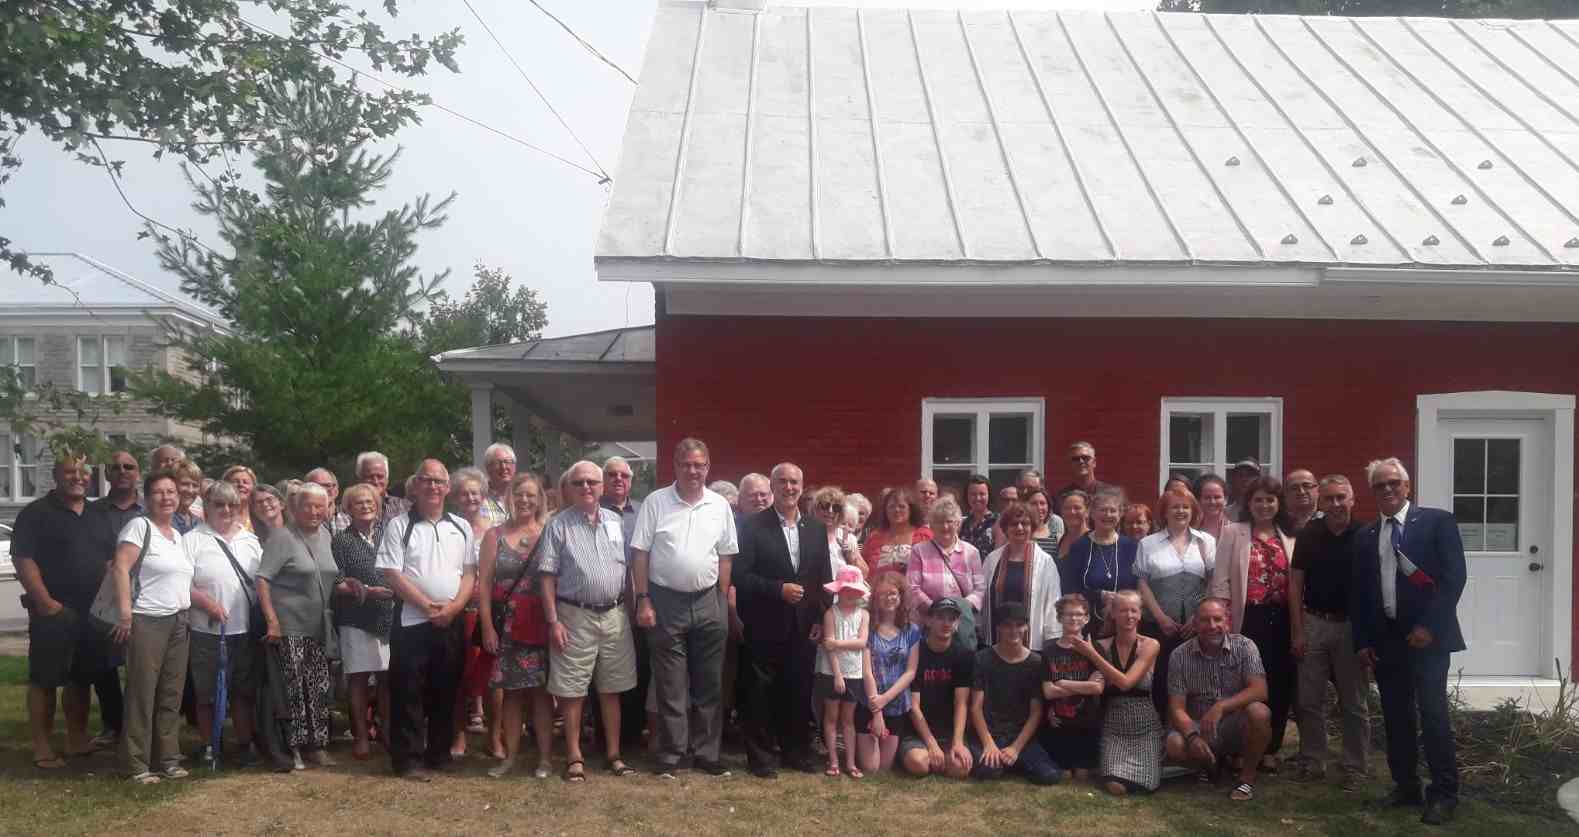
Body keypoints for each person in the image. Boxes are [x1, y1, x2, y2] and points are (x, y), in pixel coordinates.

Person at [1351, 457, 1465, 825]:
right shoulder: (1366, 535)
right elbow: (1362, 593)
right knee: (1396, 718)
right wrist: (1364, 639)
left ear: (1407, 486)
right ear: (1373, 492)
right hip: (1387, 640)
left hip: (1428, 639)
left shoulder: (1437, 522)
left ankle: (1444, 793)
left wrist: (1429, 626)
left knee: (1433, 716)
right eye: (1380, 485)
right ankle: (1406, 787)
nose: (1387, 489)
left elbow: (1453, 579)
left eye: (1393, 483)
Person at [631, 438, 738, 779]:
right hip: (665, 600)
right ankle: (673, 753)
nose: (693, 470)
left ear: (708, 467)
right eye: (686, 464)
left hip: (709, 600)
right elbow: (641, 553)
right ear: (675, 466)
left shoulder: (720, 504)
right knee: (670, 683)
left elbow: (726, 555)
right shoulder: (656, 502)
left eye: (699, 465)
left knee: (710, 683)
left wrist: (721, 598)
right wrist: (643, 598)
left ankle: (707, 753)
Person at [378, 460, 479, 782]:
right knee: (408, 691)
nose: (433, 487)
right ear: (416, 486)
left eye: (439, 481)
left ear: (448, 488)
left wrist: (454, 608)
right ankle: (407, 761)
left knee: (446, 689)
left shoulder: (461, 525)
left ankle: (439, 754)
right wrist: (426, 606)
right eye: (426, 481)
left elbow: (469, 573)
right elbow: (392, 573)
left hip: (451, 620)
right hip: (411, 622)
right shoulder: (398, 525)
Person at [541, 462, 641, 782]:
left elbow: (627, 570)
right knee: (573, 691)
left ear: (602, 487)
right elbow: (546, 577)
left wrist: (634, 606)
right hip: (573, 615)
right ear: (568, 487)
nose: (586, 488)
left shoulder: (616, 522)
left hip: (614, 615)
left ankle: (613, 754)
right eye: (579, 482)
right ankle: (574, 756)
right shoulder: (558, 525)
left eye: (592, 482)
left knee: (612, 689)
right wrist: (553, 620)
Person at [13, 457, 114, 769]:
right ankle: (42, 746)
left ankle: (76, 738)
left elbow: (111, 560)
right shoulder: (35, 513)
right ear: (55, 475)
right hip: (53, 611)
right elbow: (23, 559)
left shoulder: (98, 513)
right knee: (45, 679)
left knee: (80, 679)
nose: (78, 477)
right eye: (70, 472)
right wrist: (45, 602)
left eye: (84, 472)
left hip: (91, 612)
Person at [734, 462, 831, 778]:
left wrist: (819, 615)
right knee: (759, 693)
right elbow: (740, 576)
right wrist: (779, 589)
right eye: (782, 482)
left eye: (794, 482)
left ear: (802, 487)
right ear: (772, 487)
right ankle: (761, 758)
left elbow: (822, 579)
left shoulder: (816, 529)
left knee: (798, 690)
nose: (789, 488)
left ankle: (796, 753)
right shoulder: (751, 526)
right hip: (763, 622)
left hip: (803, 625)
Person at [109, 471, 195, 783]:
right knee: (142, 694)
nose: (166, 497)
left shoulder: (178, 535)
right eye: (159, 492)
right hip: (146, 619)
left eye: (171, 491)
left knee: (171, 694)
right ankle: (135, 763)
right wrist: (125, 613)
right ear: (146, 497)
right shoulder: (139, 526)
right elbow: (120, 567)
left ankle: (167, 758)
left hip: (178, 621)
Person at [1289, 475, 1369, 790]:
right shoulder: (1310, 533)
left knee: (1354, 701)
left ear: (1352, 500)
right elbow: (1296, 583)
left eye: (1341, 498)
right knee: (1310, 699)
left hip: (1352, 626)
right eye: (1329, 499)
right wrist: (1298, 631)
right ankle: (1313, 760)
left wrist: (1368, 635)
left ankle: (1355, 766)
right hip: (1314, 622)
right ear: (1320, 503)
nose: (1335, 504)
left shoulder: (1366, 535)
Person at [1212, 475, 1298, 770]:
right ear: (1249, 504)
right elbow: (1221, 582)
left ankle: (1270, 748)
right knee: (1243, 681)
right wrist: (1222, 623)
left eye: (1270, 500)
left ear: (1278, 503)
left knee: (1280, 681)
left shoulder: (1289, 535)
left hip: (1282, 618)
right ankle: (1240, 747)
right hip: (1247, 618)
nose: (1264, 505)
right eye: (1258, 500)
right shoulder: (1234, 532)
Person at [255, 483, 341, 771]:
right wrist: (272, 620)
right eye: (308, 505)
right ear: (294, 507)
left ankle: (317, 745)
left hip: (319, 629)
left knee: (317, 688)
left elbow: (328, 576)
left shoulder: (327, 536)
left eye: (321, 506)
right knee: (292, 689)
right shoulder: (282, 537)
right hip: (289, 627)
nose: (315, 511)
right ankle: (291, 748)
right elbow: (263, 579)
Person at [475, 472, 552, 778]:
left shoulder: (549, 532)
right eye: (519, 494)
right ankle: (511, 757)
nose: (524, 500)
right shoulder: (494, 536)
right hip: (506, 625)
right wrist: (487, 627)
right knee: (510, 693)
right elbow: (483, 585)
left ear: (539, 500)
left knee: (542, 692)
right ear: (510, 497)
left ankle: (545, 759)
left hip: (541, 623)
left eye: (531, 495)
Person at [184, 480, 264, 765]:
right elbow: (182, 584)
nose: (226, 510)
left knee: (243, 692)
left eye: (232, 504)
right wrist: (207, 604)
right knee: (206, 693)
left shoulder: (251, 541)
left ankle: (244, 744)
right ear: (207, 507)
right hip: (207, 631)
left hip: (244, 632)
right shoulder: (192, 540)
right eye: (219, 504)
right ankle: (209, 745)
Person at [1165, 598, 1273, 802]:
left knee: (1260, 712)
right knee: (1174, 744)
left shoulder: (1245, 646)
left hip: (1234, 724)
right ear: (1195, 624)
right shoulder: (1179, 655)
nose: (1212, 626)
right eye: (1205, 620)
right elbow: (1176, 708)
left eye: (1217, 619)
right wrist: (1192, 737)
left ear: (1227, 622)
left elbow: (1260, 690)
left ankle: (1246, 780)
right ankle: (1208, 765)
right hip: (1199, 725)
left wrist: (1221, 706)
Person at [1135, 487, 1217, 717]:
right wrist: (1161, 618)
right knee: (1161, 678)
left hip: (1196, 626)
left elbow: (1212, 581)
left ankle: (1195, 733)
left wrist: (1198, 616)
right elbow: (1142, 583)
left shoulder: (1206, 541)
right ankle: (1163, 734)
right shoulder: (1148, 543)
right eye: (1175, 506)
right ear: (1164, 511)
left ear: (1193, 510)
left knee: (1196, 678)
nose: (1180, 511)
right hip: (1158, 626)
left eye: (1185, 506)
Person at [330, 482, 396, 761]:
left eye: (370, 501)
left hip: (389, 616)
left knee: (387, 679)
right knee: (357, 679)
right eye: (359, 502)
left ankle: (388, 733)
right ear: (348, 508)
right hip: (356, 619)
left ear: (378, 505)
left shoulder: (389, 533)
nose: (366, 505)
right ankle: (360, 737)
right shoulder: (341, 540)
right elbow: (336, 581)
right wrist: (366, 591)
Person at [968, 603, 1059, 785]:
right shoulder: (982, 658)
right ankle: (1007, 762)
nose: (1014, 630)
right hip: (991, 733)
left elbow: (1036, 712)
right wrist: (988, 744)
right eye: (1008, 625)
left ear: (1026, 627)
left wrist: (1016, 748)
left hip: (1020, 736)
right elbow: (976, 708)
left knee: (1049, 775)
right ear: (998, 627)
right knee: (989, 771)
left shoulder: (1036, 662)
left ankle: (1013, 759)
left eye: (1019, 625)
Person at [602, 456, 650, 750]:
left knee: (640, 668)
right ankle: (606, 737)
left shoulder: (644, 512)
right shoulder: (593, 511)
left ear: (631, 481)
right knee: (606, 674)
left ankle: (635, 732)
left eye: (624, 475)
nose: (619, 479)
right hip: (608, 604)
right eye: (612, 475)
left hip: (640, 603)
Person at [901, 599, 975, 778]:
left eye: (952, 619)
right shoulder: (916, 652)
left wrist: (957, 742)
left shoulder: (963, 655)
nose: (946, 623)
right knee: (919, 764)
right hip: (917, 731)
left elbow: (961, 703)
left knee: (960, 769)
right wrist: (931, 743)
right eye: (940, 617)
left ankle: (945, 755)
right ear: (928, 621)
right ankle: (925, 753)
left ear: (957, 622)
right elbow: (914, 706)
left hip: (949, 731)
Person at [449, 466, 494, 754]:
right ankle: (459, 735)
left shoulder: (494, 529)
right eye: (464, 493)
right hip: (455, 610)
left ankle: (495, 736)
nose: (470, 498)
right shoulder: (447, 526)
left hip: (488, 610)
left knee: (491, 675)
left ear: (483, 495)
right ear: (454, 496)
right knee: (457, 674)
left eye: (475, 492)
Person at [1037, 594, 1104, 783]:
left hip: (1086, 723)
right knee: (1064, 776)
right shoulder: (1049, 650)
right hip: (1059, 725)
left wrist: (1064, 684)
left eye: (1078, 614)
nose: (1074, 618)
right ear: (1059, 618)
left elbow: (1097, 688)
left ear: (1087, 618)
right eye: (1068, 614)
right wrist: (1086, 686)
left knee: (1082, 776)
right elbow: (1048, 691)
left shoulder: (1095, 649)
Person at [980, 501, 1062, 652]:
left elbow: (1053, 603)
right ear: (1005, 528)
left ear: (1032, 528)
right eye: (1014, 524)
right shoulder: (992, 560)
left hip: (1031, 646)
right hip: (995, 643)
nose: (1019, 528)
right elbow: (982, 597)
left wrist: (1051, 640)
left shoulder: (1045, 562)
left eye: (1025, 523)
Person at [859, 573, 921, 768]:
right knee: (871, 769)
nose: (889, 598)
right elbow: (866, 671)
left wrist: (886, 699)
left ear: (901, 596)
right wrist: (877, 710)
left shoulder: (912, 630)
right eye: (883, 594)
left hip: (896, 704)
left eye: (893, 593)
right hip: (868, 701)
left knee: (884, 768)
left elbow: (910, 672)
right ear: (875, 598)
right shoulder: (866, 627)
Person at [1061, 486, 1139, 638]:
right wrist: (1099, 595)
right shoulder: (1079, 547)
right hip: (1085, 625)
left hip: (1123, 625)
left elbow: (1138, 586)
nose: (1108, 515)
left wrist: (1120, 601)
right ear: (1092, 513)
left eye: (1113, 510)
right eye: (1103, 510)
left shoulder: (1131, 547)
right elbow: (1069, 588)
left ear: (1121, 513)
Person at [818, 565, 870, 778]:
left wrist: (837, 643)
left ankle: (850, 761)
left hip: (855, 673)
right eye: (847, 590)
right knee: (831, 717)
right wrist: (838, 675)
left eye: (855, 590)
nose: (851, 594)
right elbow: (828, 650)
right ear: (839, 591)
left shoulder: (863, 614)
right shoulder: (831, 613)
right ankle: (833, 760)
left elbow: (862, 642)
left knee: (848, 719)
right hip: (833, 673)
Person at [906, 496, 983, 627]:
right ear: (931, 525)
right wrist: (937, 611)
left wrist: (961, 608)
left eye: (949, 521)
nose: (945, 526)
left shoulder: (972, 552)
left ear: (958, 524)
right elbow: (912, 587)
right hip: (929, 624)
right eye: (939, 522)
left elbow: (980, 588)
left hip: (962, 624)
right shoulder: (919, 551)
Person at [861, 486, 932, 577]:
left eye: (902, 506)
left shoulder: (924, 535)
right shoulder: (874, 537)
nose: (896, 510)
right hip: (876, 589)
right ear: (885, 511)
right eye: (891, 507)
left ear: (911, 509)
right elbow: (864, 569)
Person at [811, 485, 865, 576]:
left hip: (842, 588)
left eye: (836, 508)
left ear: (841, 513)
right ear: (816, 508)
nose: (830, 511)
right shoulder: (806, 534)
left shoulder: (847, 537)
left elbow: (865, 573)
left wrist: (850, 556)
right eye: (825, 506)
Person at [358, 451, 410, 522]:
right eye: (369, 477)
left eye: (380, 476)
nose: (375, 481)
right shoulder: (347, 510)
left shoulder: (405, 508)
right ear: (359, 479)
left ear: (387, 479)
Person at [480, 443, 517, 527]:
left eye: (507, 462)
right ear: (488, 467)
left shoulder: (524, 497)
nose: (504, 467)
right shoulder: (477, 499)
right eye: (498, 463)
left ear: (514, 466)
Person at [960, 475, 997, 558]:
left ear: (989, 495)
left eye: (982, 494)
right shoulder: (962, 524)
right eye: (973, 494)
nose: (978, 498)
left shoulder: (997, 522)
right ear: (967, 496)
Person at [304, 468, 349, 535]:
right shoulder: (300, 521)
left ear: (336, 491)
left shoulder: (350, 519)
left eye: (328, 485)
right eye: (318, 486)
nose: (324, 490)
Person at [1056, 490, 1091, 561]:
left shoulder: (1094, 540)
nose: (1072, 512)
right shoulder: (1062, 539)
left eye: (1077, 508)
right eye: (1067, 508)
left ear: (1087, 511)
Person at [171, 459, 204, 534]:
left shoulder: (199, 522)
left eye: (195, 485)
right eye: (185, 484)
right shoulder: (163, 519)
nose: (190, 490)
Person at [222, 465, 257, 533]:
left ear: (253, 487)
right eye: (235, 482)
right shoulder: (217, 514)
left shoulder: (259, 515)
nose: (241, 485)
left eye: (245, 482)